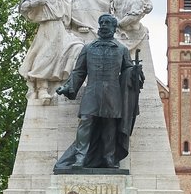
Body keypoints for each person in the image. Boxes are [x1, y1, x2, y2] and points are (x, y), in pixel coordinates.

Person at [54, 14, 145, 169]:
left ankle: (109, 158)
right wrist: (68, 87)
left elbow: (128, 70)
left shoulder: (122, 49)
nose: (103, 25)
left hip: (112, 94)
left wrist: (135, 72)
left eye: (107, 23)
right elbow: (79, 71)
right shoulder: (88, 48)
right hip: (92, 92)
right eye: (101, 22)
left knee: (109, 126)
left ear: (114, 27)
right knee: (85, 122)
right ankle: (80, 158)